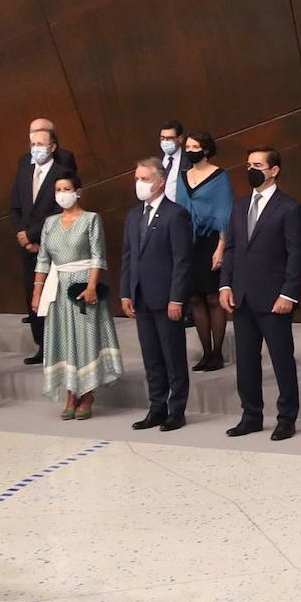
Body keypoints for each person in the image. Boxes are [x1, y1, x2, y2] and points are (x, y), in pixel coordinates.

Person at [218, 145, 301, 439]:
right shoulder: (240, 206)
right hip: (242, 297)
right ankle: (251, 415)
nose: (251, 170)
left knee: (282, 360)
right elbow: (231, 249)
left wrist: (289, 293)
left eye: (257, 165)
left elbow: (296, 254)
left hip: (274, 298)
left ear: (274, 170)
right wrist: (225, 284)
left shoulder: (289, 207)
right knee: (246, 362)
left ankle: (287, 418)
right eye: (248, 165)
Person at [31, 175, 122, 420]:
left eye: (67, 189)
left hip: (83, 286)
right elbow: (43, 259)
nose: (62, 193)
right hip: (58, 287)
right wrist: (37, 292)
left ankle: (88, 393)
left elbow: (98, 255)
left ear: (78, 191)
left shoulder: (91, 219)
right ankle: (71, 393)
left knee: (85, 337)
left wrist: (92, 286)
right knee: (65, 338)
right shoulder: (49, 223)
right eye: (58, 189)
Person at [123, 159, 193, 432]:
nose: (139, 184)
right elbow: (128, 256)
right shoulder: (133, 216)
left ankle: (177, 410)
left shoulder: (176, 215)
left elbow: (182, 261)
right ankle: (156, 407)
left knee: (172, 356)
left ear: (160, 182)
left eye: (145, 179)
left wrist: (177, 298)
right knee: (151, 356)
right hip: (141, 296)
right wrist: (126, 292)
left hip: (166, 298)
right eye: (137, 179)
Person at [11, 126, 72, 364]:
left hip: (53, 245)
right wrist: (23, 237)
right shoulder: (23, 172)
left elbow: (59, 210)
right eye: (33, 144)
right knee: (33, 295)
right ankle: (42, 345)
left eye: (41, 144)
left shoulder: (62, 173)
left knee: (54, 297)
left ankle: (60, 345)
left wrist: (32, 235)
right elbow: (15, 208)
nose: (36, 149)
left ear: (53, 147)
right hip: (28, 248)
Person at [176, 131, 233, 371]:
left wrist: (221, 248)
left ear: (206, 149)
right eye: (188, 147)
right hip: (188, 241)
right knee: (195, 298)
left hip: (211, 240)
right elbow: (179, 209)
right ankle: (206, 352)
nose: (190, 151)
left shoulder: (219, 176)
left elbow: (224, 213)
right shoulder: (182, 176)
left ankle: (217, 353)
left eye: (195, 147)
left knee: (212, 296)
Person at [158, 121, 191, 202]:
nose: (165, 142)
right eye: (162, 138)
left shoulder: (189, 160)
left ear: (180, 139)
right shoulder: (157, 160)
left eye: (169, 138)